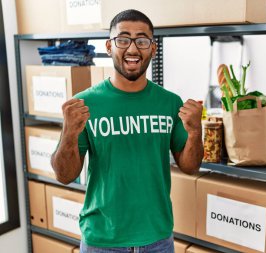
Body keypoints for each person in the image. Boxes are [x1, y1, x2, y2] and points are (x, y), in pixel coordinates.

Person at [51, 9, 203, 253]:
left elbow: (190, 166)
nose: (132, 49)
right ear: (109, 47)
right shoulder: (84, 104)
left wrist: (196, 132)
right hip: (102, 240)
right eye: (123, 40)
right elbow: (64, 175)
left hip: (158, 239)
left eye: (142, 40)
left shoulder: (170, 103)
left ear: (153, 49)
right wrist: (68, 134)